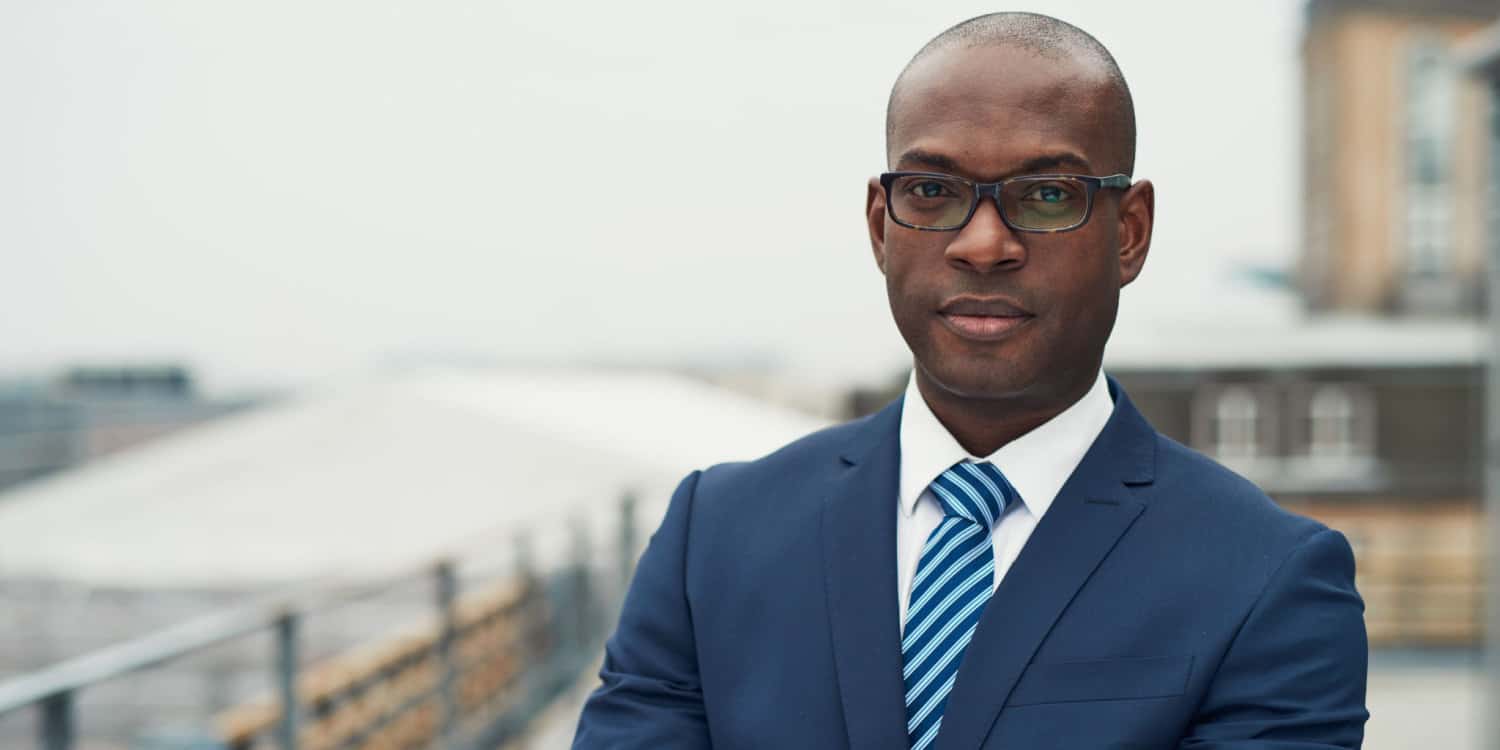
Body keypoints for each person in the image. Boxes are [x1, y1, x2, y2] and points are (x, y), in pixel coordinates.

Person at [572, 11, 1368, 750]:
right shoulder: (711, 538)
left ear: (1129, 234)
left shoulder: (1269, 579)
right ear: (882, 226)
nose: (983, 245)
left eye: (1048, 196)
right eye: (933, 192)